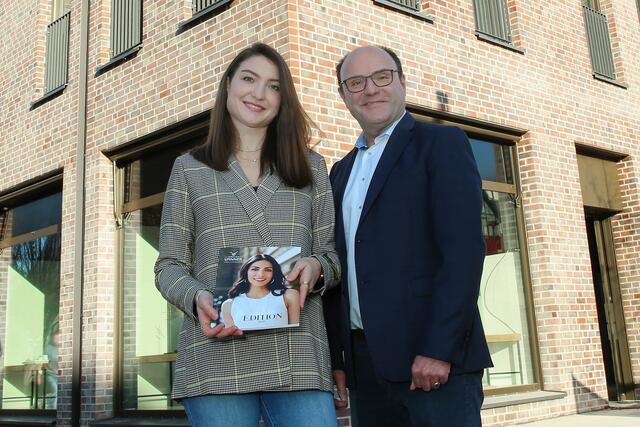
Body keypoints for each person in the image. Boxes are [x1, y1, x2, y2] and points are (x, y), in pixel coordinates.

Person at [155, 42, 340, 427]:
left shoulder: (312, 168)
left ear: (283, 99)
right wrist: (198, 297)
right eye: (249, 79)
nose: (258, 94)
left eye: (273, 86)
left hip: (298, 353)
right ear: (227, 85)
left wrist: (316, 267)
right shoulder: (189, 168)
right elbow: (169, 266)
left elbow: (332, 255)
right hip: (215, 350)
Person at [324, 45, 492, 426]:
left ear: (402, 81)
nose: (371, 89)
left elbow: (463, 253)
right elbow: (339, 270)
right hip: (365, 368)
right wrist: (338, 360)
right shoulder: (340, 171)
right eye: (356, 82)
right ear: (343, 95)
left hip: (432, 364)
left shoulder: (441, 144)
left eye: (382, 77)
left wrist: (438, 350)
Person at [220, 253, 300, 329]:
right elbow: (234, 339)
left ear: (274, 273)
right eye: (255, 269)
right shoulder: (229, 305)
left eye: (268, 270)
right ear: (246, 272)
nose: (261, 274)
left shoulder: (289, 295)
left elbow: (295, 333)